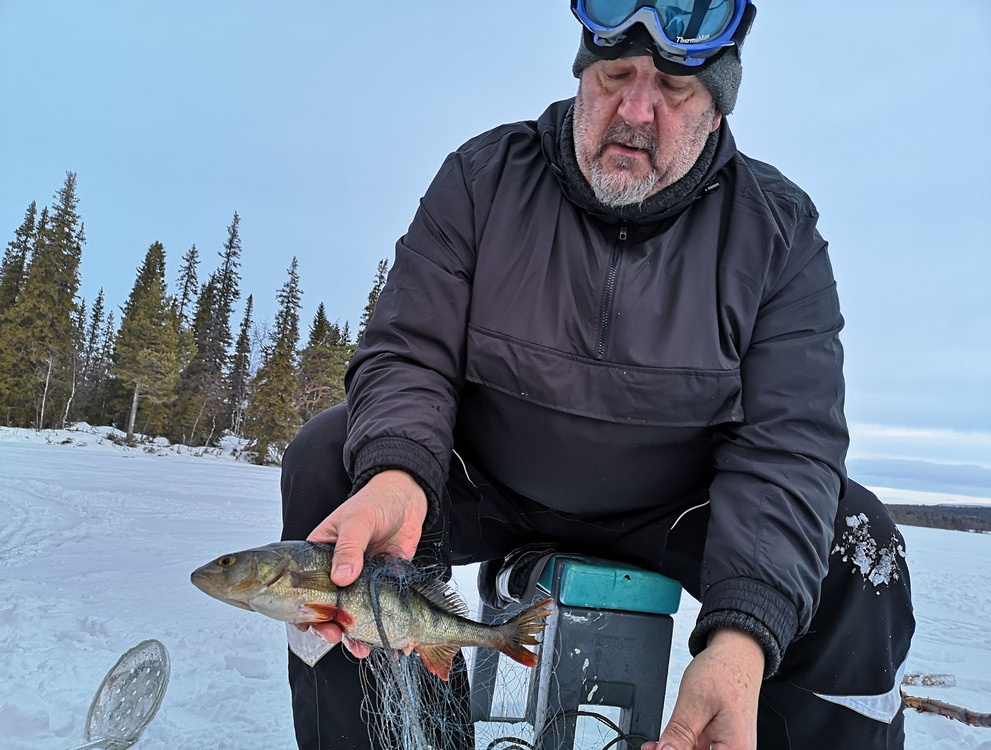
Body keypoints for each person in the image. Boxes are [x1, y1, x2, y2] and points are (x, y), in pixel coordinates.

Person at [280, 1, 915, 748]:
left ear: (717, 109)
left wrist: (744, 639)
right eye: (615, 75)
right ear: (584, 73)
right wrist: (397, 475)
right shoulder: (482, 180)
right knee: (332, 461)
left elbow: (790, 445)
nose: (636, 112)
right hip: (490, 483)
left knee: (857, 543)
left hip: (677, 511)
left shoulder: (778, 233)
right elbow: (408, 352)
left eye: (675, 90)